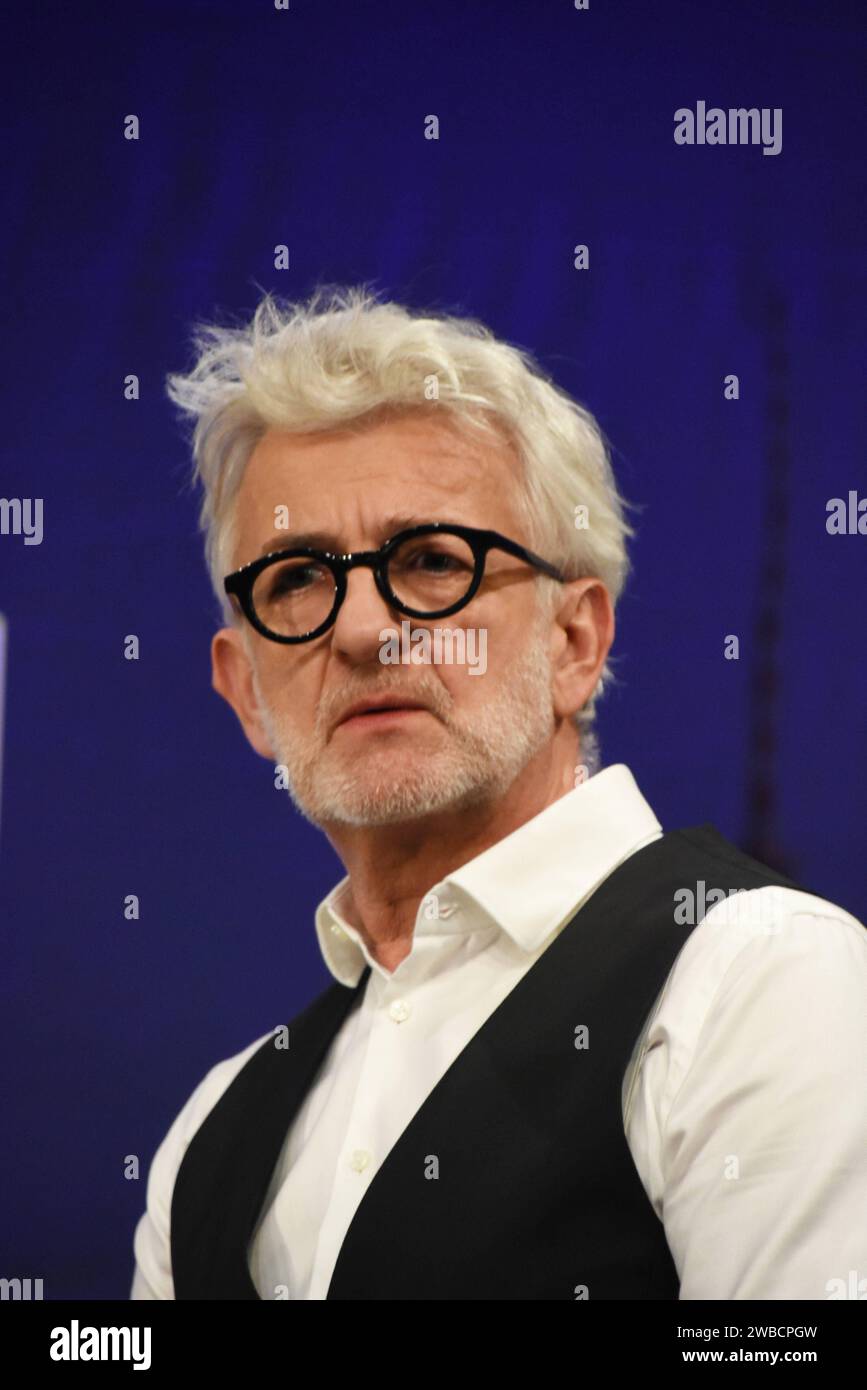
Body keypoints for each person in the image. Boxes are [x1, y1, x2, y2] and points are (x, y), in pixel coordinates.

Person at [130, 284, 867, 1300]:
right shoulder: (210, 1139)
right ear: (246, 689)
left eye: (432, 560)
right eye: (296, 578)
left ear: (575, 641)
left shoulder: (760, 981)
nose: (362, 630)